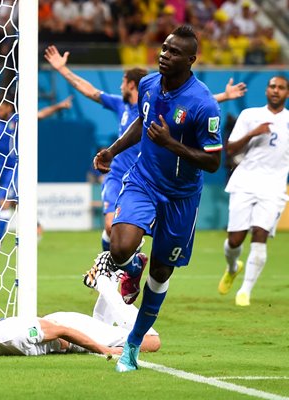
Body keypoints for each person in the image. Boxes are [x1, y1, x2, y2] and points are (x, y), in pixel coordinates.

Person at [92, 25, 222, 372]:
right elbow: (141, 122)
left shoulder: (203, 104)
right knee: (119, 248)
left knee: (162, 273)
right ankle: (131, 264)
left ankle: (132, 345)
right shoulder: (148, 84)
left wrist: (172, 144)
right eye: (164, 48)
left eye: (174, 52)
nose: (165, 55)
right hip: (144, 181)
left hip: (181, 198)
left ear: (191, 60)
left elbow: (213, 161)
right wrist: (113, 150)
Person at [44, 44, 246, 253]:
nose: (120, 86)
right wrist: (62, 70)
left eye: (123, 82)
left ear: (131, 85)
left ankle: (126, 266)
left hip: (148, 178)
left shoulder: (159, 105)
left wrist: (224, 95)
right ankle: (111, 269)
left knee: (135, 237)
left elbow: (190, 104)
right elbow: (91, 91)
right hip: (119, 175)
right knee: (110, 226)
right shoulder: (120, 105)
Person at [0, 265, 160, 357]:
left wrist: (104, 350)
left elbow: (61, 330)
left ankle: (103, 283)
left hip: (70, 327)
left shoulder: (12, 335)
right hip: (59, 330)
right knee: (103, 325)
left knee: (151, 341)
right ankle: (111, 279)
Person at [0, 83, 71, 251]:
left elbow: (40, 114)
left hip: (16, 167)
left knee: (4, 202)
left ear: (9, 108)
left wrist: (60, 106)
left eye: (1, 107)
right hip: (2, 168)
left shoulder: (16, 120)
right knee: (18, 203)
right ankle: (37, 229)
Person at [218, 76, 289, 307]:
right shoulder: (249, 115)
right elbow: (230, 150)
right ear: (266, 91)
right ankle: (232, 267)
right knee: (235, 240)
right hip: (245, 182)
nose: (276, 90)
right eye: (272, 86)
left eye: (281, 87)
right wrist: (253, 133)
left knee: (260, 235)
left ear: (287, 93)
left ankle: (245, 291)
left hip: (274, 187)